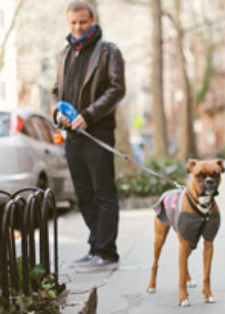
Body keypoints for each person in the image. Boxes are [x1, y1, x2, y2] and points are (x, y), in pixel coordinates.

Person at [52, 1, 125, 272]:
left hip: (98, 132)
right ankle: (95, 246)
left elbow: (117, 89)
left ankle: (107, 252)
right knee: (83, 194)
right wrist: (57, 113)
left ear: (92, 19)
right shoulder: (64, 54)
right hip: (72, 135)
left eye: (82, 21)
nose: (78, 27)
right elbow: (55, 91)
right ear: (67, 22)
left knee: (103, 192)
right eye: (73, 22)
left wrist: (90, 114)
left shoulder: (108, 51)